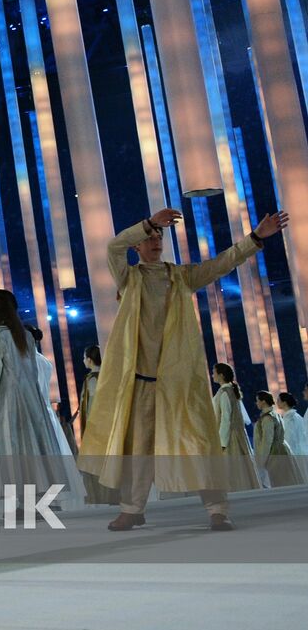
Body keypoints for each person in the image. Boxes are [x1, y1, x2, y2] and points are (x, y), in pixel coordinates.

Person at [79, 208, 287, 531]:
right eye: (149, 237)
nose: (155, 241)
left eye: (159, 236)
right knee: (140, 448)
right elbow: (112, 248)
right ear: (138, 245)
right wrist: (147, 222)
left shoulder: (181, 276)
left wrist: (256, 237)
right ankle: (133, 508)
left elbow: (221, 264)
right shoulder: (129, 278)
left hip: (178, 382)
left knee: (198, 443)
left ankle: (217, 509)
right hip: (141, 381)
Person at [0, 291, 77, 516]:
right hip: (31, 398)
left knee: (13, 449)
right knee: (36, 447)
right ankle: (44, 501)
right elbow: (36, 371)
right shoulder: (26, 335)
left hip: (8, 400)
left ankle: (25, 504)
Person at [253, 391, 301, 487]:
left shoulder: (268, 418)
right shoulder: (275, 415)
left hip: (274, 456)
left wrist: (261, 461)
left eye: (257, 400)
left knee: (280, 484)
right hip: (282, 452)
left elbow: (267, 441)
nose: (256, 403)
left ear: (263, 402)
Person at [276, 392, 308, 472]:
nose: (276, 403)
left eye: (278, 400)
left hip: (295, 453)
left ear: (284, 402)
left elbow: (289, 438)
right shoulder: (296, 416)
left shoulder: (290, 418)